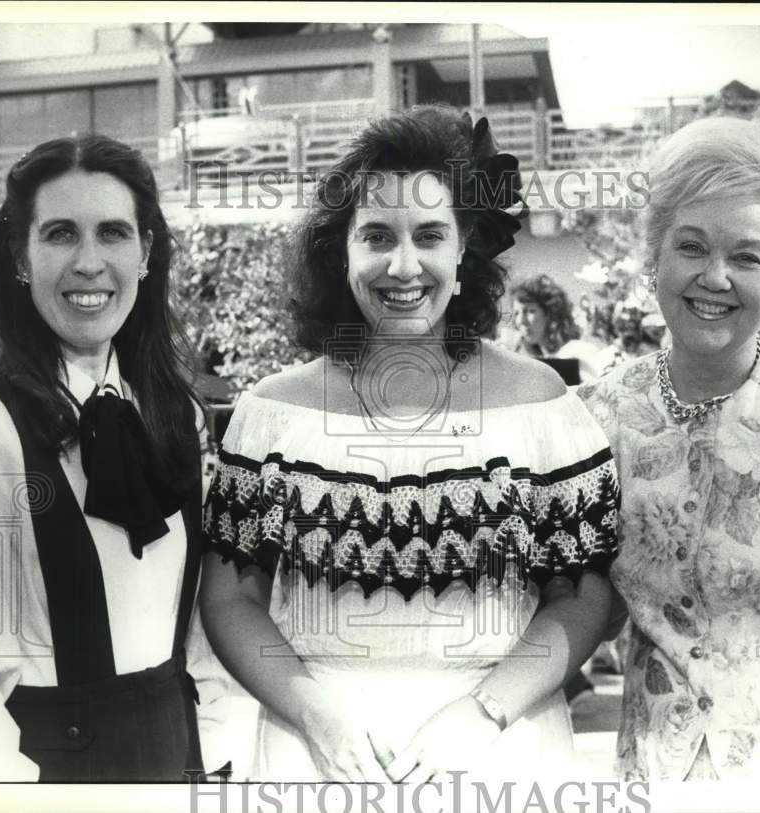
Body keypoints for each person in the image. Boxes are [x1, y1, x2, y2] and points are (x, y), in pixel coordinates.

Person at [200, 105, 620, 784]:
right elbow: (228, 599)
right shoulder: (267, 414)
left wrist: (485, 712)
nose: (403, 265)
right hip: (315, 756)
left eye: (429, 234)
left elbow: (582, 597)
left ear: (463, 248)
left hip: (501, 751)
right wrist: (316, 714)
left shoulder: (544, 407)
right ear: (342, 250)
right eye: (376, 235)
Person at [578, 117, 760, 782]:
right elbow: (582, 598)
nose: (715, 278)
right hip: (657, 776)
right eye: (691, 247)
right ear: (655, 255)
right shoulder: (600, 416)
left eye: (746, 256)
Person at [0, 135, 210, 782]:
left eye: (113, 233)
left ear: (145, 254)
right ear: (21, 259)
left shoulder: (178, 416)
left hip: (180, 769)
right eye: (60, 233)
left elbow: (199, 637)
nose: (89, 262)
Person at [509, 275, 602, 384]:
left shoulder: (578, 350)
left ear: (550, 314)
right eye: (516, 313)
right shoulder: (534, 363)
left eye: (530, 311)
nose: (520, 321)